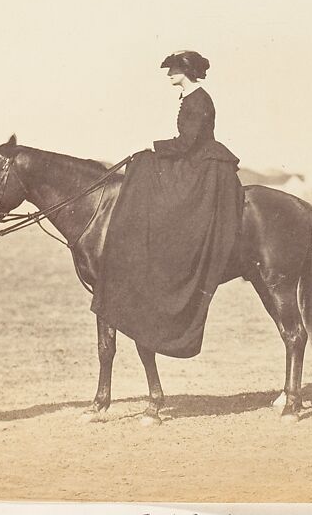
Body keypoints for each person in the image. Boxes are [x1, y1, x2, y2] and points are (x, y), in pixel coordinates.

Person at [91, 51, 243, 358]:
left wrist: (154, 145)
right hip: (193, 158)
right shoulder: (189, 96)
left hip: (202, 165)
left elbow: (188, 143)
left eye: (173, 69)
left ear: (186, 72)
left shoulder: (198, 99)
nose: (169, 73)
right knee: (143, 165)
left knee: (146, 167)